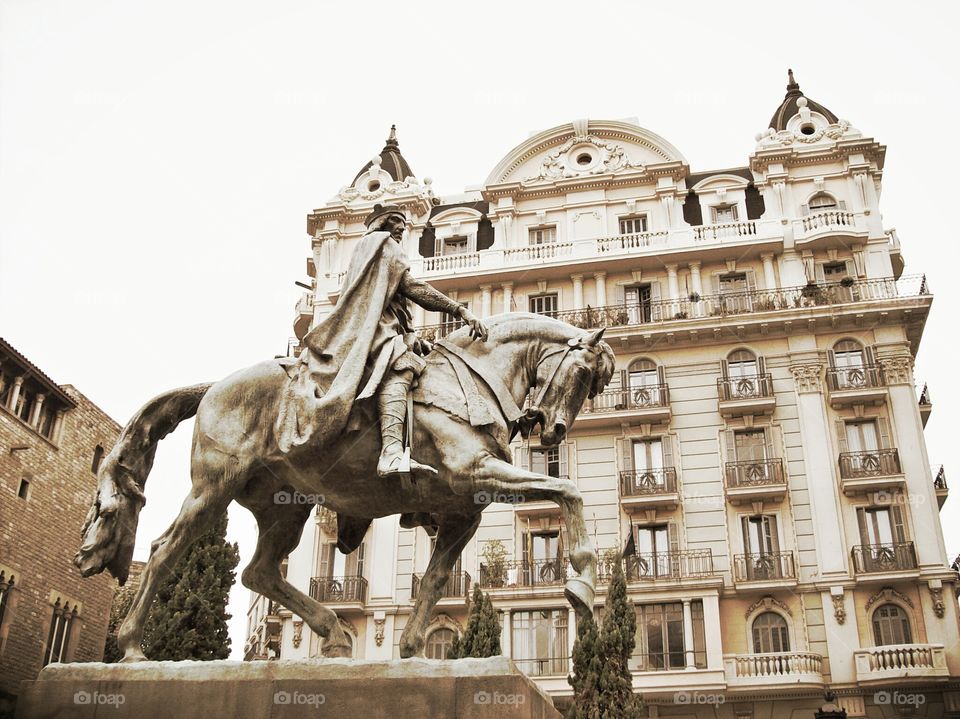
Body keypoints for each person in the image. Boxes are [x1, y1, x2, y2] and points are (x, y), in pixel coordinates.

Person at [278, 203, 487, 478]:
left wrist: (410, 333)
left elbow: (394, 296)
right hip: (374, 330)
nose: (401, 227)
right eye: (396, 221)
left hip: (381, 327)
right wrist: (459, 310)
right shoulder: (382, 243)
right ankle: (390, 454)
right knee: (400, 368)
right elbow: (413, 288)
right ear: (383, 224)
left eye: (403, 222)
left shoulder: (372, 248)